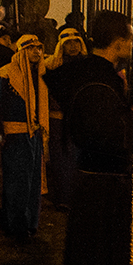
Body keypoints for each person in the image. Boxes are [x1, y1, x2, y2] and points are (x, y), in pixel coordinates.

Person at [44, 10, 133, 265]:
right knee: (103, 263)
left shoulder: (91, 74)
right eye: (131, 39)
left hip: (93, 182)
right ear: (119, 42)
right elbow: (107, 134)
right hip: (104, 185)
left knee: (92, 260)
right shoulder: (99, 80)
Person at [0, 34, 48, 242]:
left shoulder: (40, 76)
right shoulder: (4, 75)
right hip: (14, 135)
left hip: (34, 134)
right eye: (31, 48)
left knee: (32, 181)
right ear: (21, 51)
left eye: (39, 47)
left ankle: (29, 223)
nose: (36, 52)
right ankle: (15, 225)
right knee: (17, 181)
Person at [44, 27, 87, 210]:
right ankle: (62, 197)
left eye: (76, 42)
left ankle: (77, 197)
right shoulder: (51, 66)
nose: (72, 46)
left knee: (77, 157)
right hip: (57, 119)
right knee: (60, 158)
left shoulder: (86, 66)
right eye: (68, 43)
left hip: (78, 119)